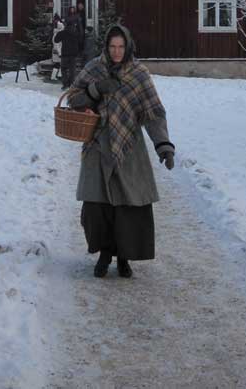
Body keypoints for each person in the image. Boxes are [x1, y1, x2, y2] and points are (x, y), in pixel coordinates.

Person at [67, 23, 175, 279]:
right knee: (98, 206)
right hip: (97, 145)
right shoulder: (94, 68)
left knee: (129, 205)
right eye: (112, 46)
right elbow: (73, 97)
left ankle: (124, 257)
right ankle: (105, 254)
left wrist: (163, 145)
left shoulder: (139, 74)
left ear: (128, 47)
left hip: (129, 147)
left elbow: (153, 112)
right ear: (106, 46)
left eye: (121, 47)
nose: (116, 52)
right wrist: (95, 90)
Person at [54, 18, 81, 89]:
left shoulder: (63, 32)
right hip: (73, 54)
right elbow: (80, 41)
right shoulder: (76, 33)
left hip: (65, 54)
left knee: (64, 69)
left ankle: (65, 84)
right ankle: (71, 84)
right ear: (73, 25)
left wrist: (58, 33)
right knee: (72, 70)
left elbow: (56, 40)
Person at [50, 15, 64, 82]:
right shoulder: (57, 35)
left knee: (58, 63)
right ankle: (56, 76)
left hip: (57, 51)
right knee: (58, 64)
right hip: (58, 51)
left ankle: (57, 75)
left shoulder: (55, 34)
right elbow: (57, 44)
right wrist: (60, 53)